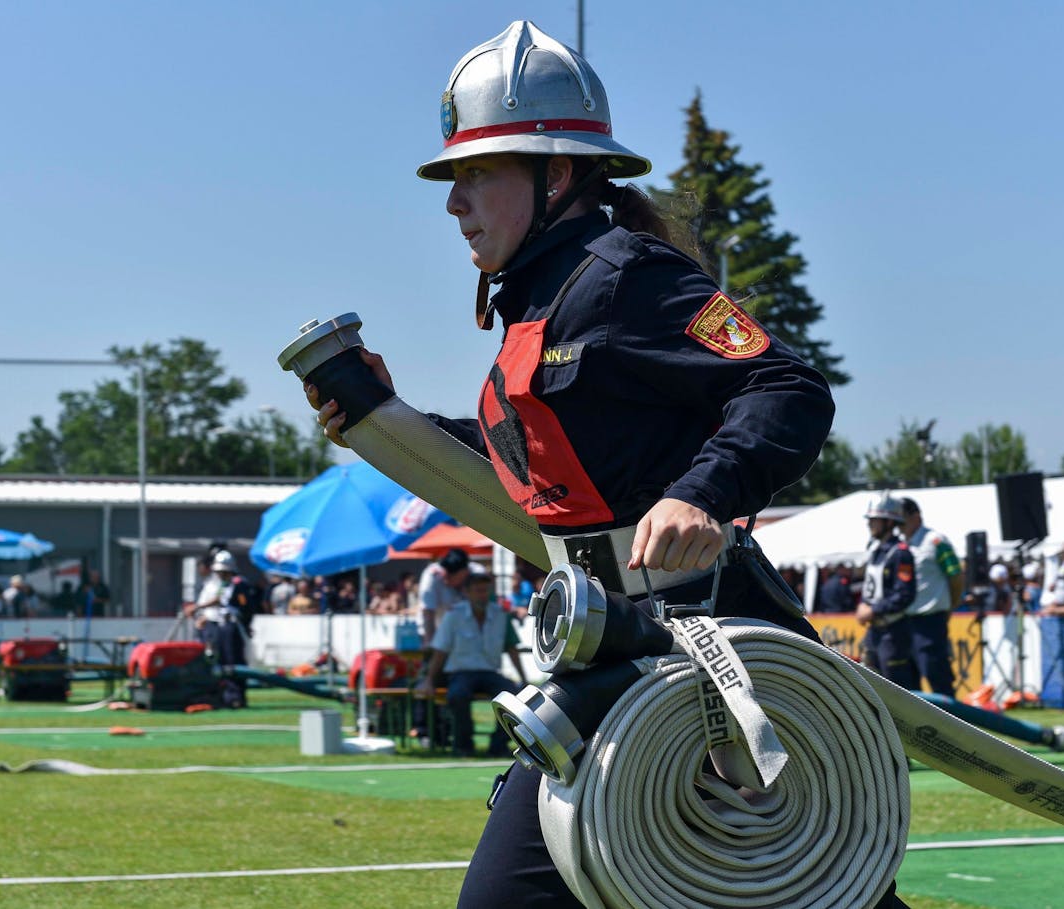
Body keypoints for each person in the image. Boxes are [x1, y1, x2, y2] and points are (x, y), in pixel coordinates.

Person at [305, 21, 883, 908]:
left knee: (800, 888)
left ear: (559, 174)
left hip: (709, 650)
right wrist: (388, 421)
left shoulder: (629, 275)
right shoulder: (540, 303)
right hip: (604, 652)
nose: (455, 202)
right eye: (455, 177)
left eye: (478, 174)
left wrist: (704, 495)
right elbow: (526, 470)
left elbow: (786, 385)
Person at [416, 569, 526, 758]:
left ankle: (498, 745)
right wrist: (429, 680)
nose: (483, 595)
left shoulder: (501, 614)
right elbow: (440, 651)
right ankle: (463, 745)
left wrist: (523, 679)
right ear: (467, 592)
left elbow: (511, 648)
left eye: (485, 590)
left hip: (490, 672)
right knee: (458, 695)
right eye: (478, 591)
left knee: (515, 696)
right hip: (461, 672)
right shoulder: (454, 615)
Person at [898, 497, 963, 696]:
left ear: (915, 517)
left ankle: (953, 727)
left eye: (902, 520)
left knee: (939, 680)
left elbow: (956, 576)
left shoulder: (936, 541)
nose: (898, 526)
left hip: (930, 622)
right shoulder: (901, 546)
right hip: (905, 622)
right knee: (908, 686)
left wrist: (950, 607)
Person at [855, 494, 919, 688]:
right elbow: (872, 589)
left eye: (874, 520)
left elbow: (905, 594)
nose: (870, 524)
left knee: (897, 691)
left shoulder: (900, 553)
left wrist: (873, 610)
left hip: (893, 634)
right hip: (874, 633)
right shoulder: (876, 552)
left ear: (889, 522)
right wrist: (863, 605)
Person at [417, 548, 471, 641]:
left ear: (464, 572)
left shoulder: (476, 574)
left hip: (463, 636)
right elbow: (428, 613)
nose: (445, 580)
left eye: (450, 577)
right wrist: (431, 645)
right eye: (445, 575)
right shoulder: (432, 576)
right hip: (434, 632)